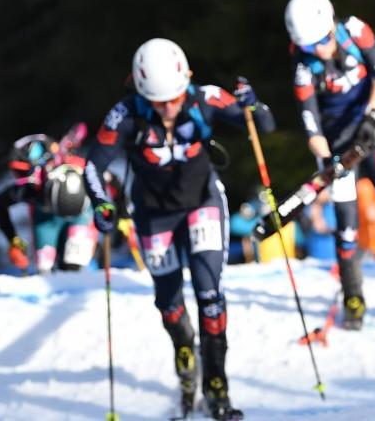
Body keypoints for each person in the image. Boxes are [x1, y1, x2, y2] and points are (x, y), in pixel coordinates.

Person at [84, 38, 274, 420]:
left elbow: (263, 126)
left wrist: (253, 103)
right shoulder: (124, 113)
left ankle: (217, 387)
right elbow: (93, 166)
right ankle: (185, 361)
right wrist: (102, 203)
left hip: (202, 201)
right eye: (159, 102)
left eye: (174, 98)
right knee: (170, 304)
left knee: (210, 295)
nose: (169, 108)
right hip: (153, 214)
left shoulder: (205, 97)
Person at [284, 0, 375, 330]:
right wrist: (327, 160)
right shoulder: (302, 63)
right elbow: (311, 125)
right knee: (347, 225)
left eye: (323, 40)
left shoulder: (354, 30)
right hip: (338, 145)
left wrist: (372, 115)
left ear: (331, 24)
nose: (319, 50)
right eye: (310, 46)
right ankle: (353, 299)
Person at [0, 129, 97, 274]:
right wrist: (13, 240)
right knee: (45, 270)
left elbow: (106, 180)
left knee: (77, 266)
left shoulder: (76, 166)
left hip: (79, 216)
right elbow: (1, 204)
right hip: (46, 220)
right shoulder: (28, 188)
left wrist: (121, 215)